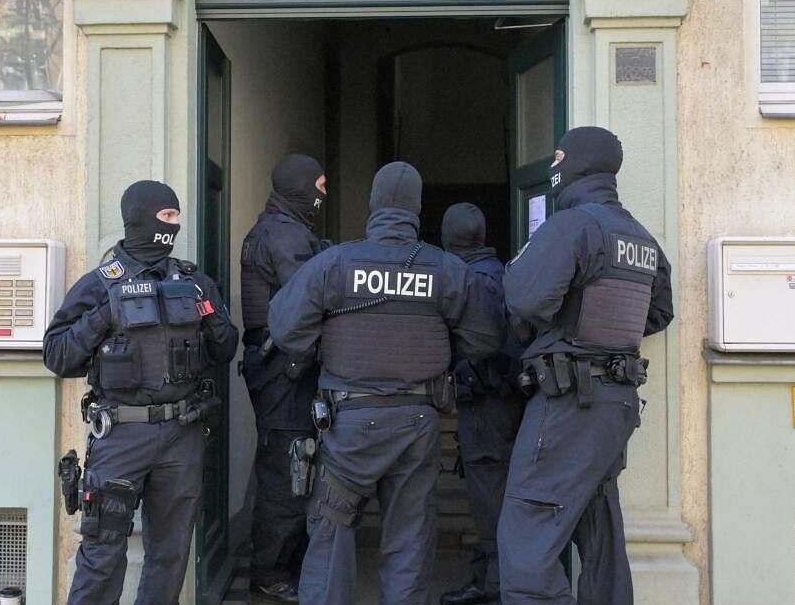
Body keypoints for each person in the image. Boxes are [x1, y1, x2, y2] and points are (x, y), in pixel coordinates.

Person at [268, 161, 503, 605]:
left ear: (373, 203)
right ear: (417, 207)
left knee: (331, 536)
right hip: (418, 421)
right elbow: (487, 338)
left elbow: (284, 330)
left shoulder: (333, 263)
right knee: (409, 542)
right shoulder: (446, 268)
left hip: (348, 424)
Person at [497, 126, 673, 605]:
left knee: (528, 536)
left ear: (577, 163)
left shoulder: (573, 226)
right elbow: (658, 314)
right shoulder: (641, 237)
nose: (553, 166)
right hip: (615, 404)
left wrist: (566, 330)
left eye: (558, 157)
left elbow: (526, 297)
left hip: (570, 402)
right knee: (600, 539)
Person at [43, 180, 239, 605]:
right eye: (167, 216)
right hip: (121, 435)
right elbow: (58, 355)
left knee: (170, 556)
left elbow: (225, 350)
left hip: (182, 433)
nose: (175, 224)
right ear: (140, 218)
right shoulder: (100, 283)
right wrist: (105, 315)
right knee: (102, 553)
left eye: (176, 216)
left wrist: (211, 312)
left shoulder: (193, 281)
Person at [239, 154, 329, 602]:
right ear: (300, 187)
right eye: (319, 184)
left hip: (280, 368)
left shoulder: (284, 229)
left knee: (291, 466)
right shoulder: (283, 234)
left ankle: (281, 565)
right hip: (283, 371)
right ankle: (270, 571)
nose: (323, 193)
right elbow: (309, 296)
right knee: (285, 471)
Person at [438, 203, 526, 605]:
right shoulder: (503, 271)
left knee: (489, 494)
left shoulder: (466, 280)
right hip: (505, 402)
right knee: (494, 490)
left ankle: (493, 584)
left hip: (489, 403)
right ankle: (490, 576)